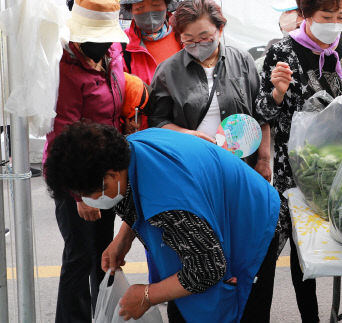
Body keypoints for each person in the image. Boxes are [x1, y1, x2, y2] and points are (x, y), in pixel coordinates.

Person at [44, 122, 279, 323]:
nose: (89, 201)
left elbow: (208, 268)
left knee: (241, 309)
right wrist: (123, 239)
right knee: (186, 306)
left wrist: (147, 295)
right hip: (212, 213)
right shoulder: (128, 149)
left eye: (90, 193)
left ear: (111, 176)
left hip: (252, 224)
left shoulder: (168, 201)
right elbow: (136, 194)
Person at [146, 0, 277, 319]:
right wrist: (187, 134)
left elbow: (260, 112)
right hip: (191, 178)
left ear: (221, 29)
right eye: (188, 40)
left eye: (204, 38)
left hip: (238, 172)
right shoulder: (168, 70)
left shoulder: (242, 60)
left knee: (242, 253)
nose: (197, 45)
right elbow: (156, 122)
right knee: (198, 255)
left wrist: (264, 159)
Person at [256, 0, 342, 322]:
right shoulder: (282, 49)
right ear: (306, 12)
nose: (335, 24)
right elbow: (264, 111)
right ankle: (310, 315)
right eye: (327, 16)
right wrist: (277, 92)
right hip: (297, 164)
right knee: (302, 243)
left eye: (341, 16)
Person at [45, 0, 128, 322]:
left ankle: (101, 315)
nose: (100, 43)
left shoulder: (114, 54)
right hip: (75, 178)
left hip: (108, 171)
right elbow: (62, 133)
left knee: (103, 253)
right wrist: (80, 193)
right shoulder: (65, 66)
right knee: (79, 256)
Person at [118, 0, 182, 86]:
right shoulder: (122, 45)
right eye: (140, 8)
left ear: (166, 5)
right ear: (131, 11)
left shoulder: (184, 36)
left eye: (156, 4)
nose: (149, 12)